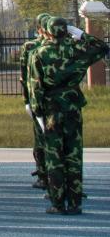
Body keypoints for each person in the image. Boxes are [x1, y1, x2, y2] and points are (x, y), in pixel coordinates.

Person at [27, 15, 109, 215]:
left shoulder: (39, 53)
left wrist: (37, 112)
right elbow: (102, 47)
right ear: (65, 31)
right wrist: (79, 34)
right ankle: (74, 202)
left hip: (51, 110)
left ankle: (58, 203)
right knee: (74, 156)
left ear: (47, 31)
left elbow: (35, 87)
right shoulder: (77, 50)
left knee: (54, 157)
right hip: (72, 108)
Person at [20, 14, 51, 190]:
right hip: (58, 102)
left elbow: (25, 77)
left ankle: (44, 175)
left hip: (39, 99)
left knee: (41, 139)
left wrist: (27, 99)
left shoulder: (31, 47)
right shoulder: (68, 46)